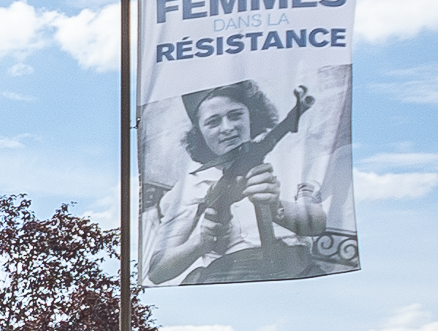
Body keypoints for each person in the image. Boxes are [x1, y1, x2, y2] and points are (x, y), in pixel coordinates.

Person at [142, 81, 338, 287]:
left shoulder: (290, 162)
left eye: (236, 115)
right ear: (199, 132)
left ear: (251, 116)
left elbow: (317, 224)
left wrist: (276, 207)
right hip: (230, 278)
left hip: (296, 270)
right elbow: (157, 271)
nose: (227, 128)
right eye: (213, 122)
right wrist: (201, 242)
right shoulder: (190, 186)